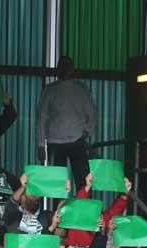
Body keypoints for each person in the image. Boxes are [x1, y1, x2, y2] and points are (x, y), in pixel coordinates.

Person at [35, 56, 97, 189]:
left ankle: (68, 207)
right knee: (71, 184)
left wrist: (40, 145)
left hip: (63, 142)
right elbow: (92, 115)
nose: (64, 70)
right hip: (68, 141)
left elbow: (41, 119)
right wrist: (86, 133)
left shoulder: (50, 90)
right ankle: (73, 208)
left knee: (65, 184)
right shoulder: (81, 89)